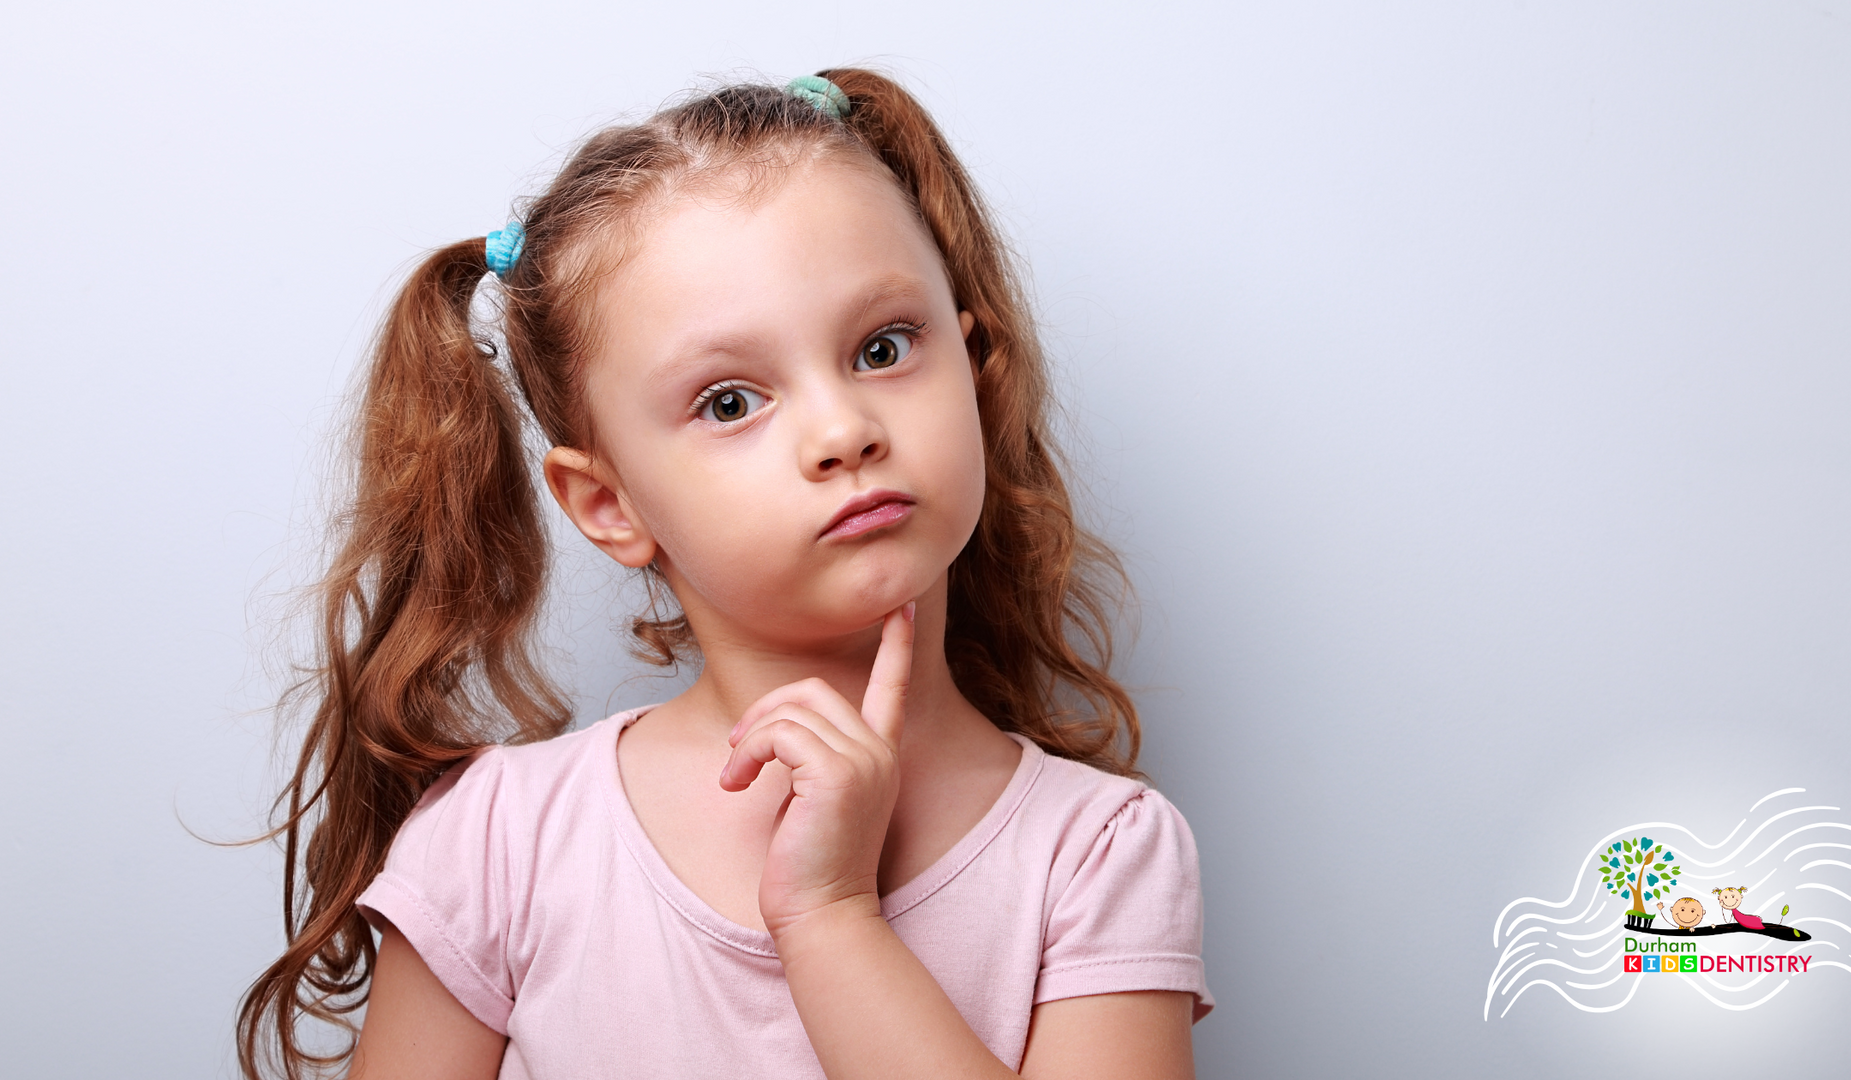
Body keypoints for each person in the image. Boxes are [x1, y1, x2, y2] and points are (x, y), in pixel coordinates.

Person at [236, 69, 1211, 1080]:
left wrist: (832, 919)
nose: (843, 431)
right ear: (608, 504)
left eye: (883, 347)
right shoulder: (502, 845)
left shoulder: (1101, 856)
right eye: (731, 402)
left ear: (970, 366)